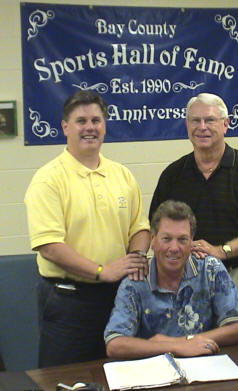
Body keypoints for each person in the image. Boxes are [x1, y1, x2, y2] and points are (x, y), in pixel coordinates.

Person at [24, 90, 150, 367]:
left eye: (96, 120)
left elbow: (140, 228)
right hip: (68, 300)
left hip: (119, 296)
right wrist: (102, 272)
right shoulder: (48, 179)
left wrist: (138, 257)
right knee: (65, 380)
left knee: (121, 375)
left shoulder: (122, 175)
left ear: (105, 125)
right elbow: (50, 247)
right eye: (81, 121)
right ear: (65, 127)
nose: (90, 127)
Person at [149, 93, 238, 294]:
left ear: (225, 124)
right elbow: (155, 227)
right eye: (195, 120)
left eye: (209, 120)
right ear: (187, 125)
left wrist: (221, 251)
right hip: (184, 277)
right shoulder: (172, 174)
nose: (202, 127)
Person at [104, 200, 238, 359]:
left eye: (182, 240)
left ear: (192, 241)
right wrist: (177, 346)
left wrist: (185, 341)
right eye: (166, 239)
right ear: (153, 240)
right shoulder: (135, 281)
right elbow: (115, 345)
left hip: (205, 369)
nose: (174, 248)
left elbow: (236, 328)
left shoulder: (210, 268)